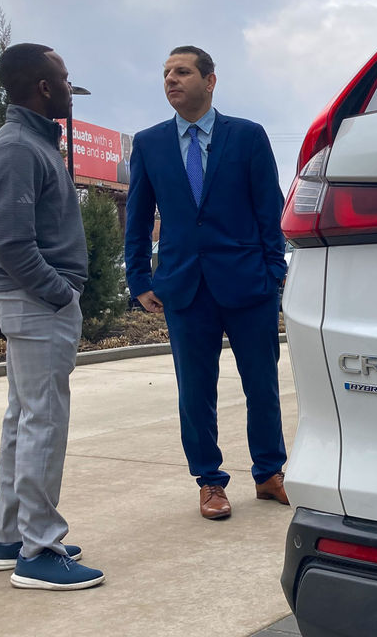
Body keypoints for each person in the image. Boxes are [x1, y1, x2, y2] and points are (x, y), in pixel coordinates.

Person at [124, 45, 289, 520]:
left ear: (210, 81)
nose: (171, 80)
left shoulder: (247, 136)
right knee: (195, 390)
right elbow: (137, 218)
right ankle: (210, 481)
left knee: (262, 385)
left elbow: (268, 211)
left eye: (182, 72)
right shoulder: (150, 143)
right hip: (183, 287)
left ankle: (268, 472)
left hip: (247, 285)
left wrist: (273, 273)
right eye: (166, 74)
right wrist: (139, 279)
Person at [0, 43, 104, 590]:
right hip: (35, 302)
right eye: (65, 76)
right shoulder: (18, 149)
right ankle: (39, 550)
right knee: (43, 423)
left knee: (23, 421)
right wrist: (59, 294)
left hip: (32, 301)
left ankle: (10, 539)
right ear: (43, 87)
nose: (71, 86)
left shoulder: (32, 143)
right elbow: (10, 241)